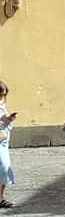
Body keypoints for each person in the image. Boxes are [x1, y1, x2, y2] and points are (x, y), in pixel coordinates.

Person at [0, 81, 15, 209]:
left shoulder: (2, 105)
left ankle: (1, 198)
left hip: (3, 141)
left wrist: (9, 119)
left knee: (5, 169)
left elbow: (3, 119)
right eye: (1, 95)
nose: (3, 98)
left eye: (5, 95)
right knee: (4, 167)